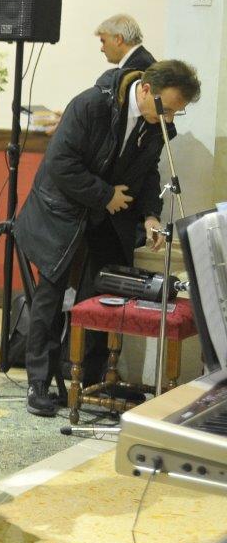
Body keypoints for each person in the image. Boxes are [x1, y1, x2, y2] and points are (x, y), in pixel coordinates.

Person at [13, 61, 201, 416]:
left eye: (177, 112)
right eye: (168, 107)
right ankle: (38, 384)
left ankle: (91, 380)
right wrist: (105, 195)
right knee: (50, 299)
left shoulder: (156, 124)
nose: (170, 118)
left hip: (107, 219)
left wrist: (150, 215)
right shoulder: (91, 105)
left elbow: (148, 174)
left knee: (105, 298)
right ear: (146, 89)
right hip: (61, 212)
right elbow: (61, 163)